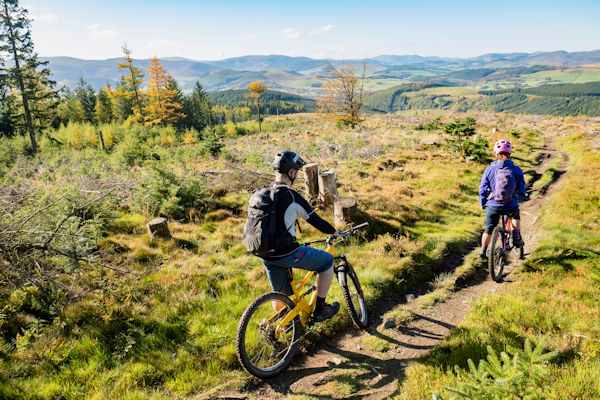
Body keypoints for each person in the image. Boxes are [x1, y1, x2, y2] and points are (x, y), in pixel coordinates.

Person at [256, 151, 344, 322]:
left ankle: (285, 325)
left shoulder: (260, 192)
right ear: (291, 173)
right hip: (285, 252)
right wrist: (334, 231)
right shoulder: (291, 196)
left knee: (283, 296)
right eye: (296, 172)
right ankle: (320, 310)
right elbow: (316, 221)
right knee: (326, 261)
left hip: (263, 252)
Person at [478, 139, 526, 259]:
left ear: (495, 153)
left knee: (489, 229)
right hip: (511, 204)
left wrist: (483, 203)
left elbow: (483, 188)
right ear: (510, 153)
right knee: (515, 216)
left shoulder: (489, 170)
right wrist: (519, 196)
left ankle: (483, 251)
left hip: (493, 205)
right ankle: (515, 238)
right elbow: (522, 187)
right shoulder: (516, 169)